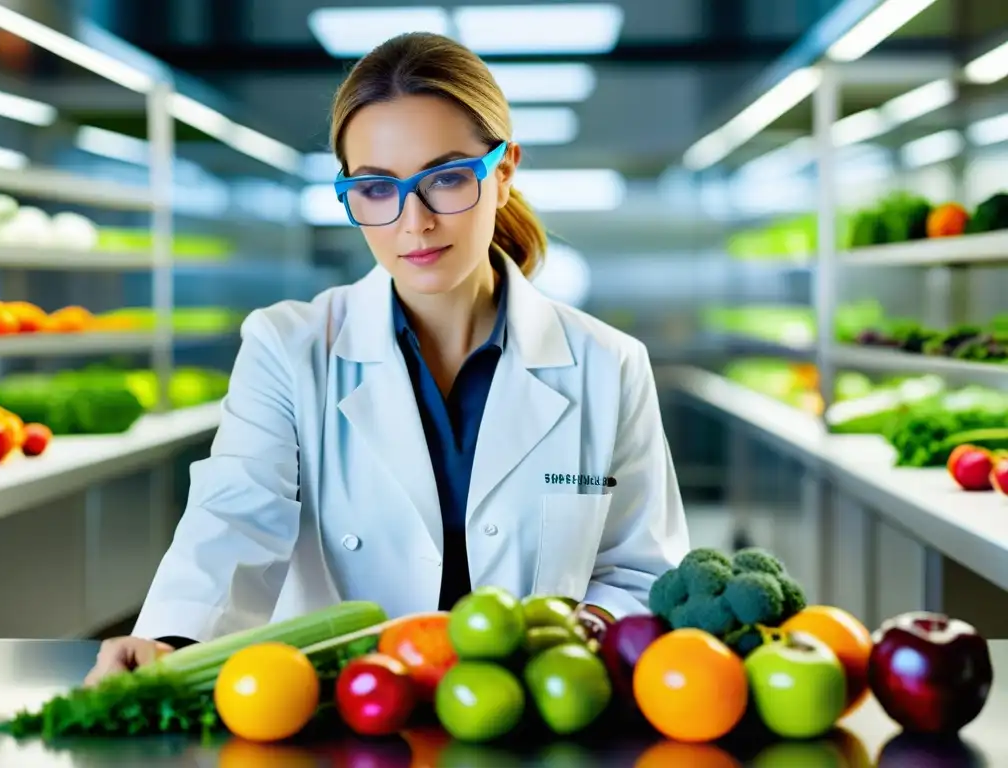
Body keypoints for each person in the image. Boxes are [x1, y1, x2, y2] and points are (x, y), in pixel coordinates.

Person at [84, 31, 690, 685]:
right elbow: (233, 516)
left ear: (504, 173)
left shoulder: (609, 363)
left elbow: (640, 567)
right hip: (350, 709)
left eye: (449, 178)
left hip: (536, 706)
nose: (414, 222)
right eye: (377, 188)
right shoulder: (289, 348)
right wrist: (172, 643)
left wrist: (576, 638)